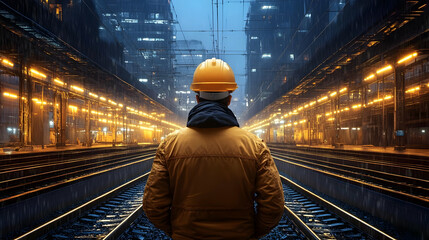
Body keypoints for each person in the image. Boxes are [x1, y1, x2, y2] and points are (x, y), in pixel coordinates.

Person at [143, 58, 284, 239]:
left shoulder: (170, 145)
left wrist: (177, 231)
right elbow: (273, 204)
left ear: (197, 98)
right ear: (230, 100)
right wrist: (253, 232)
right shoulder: (255, 146)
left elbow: (153, 204)